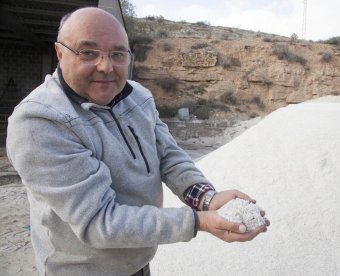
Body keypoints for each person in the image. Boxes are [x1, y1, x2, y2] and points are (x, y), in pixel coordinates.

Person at [6, 7, 269, 276]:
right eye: (88, 52)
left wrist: (206, 198)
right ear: (60, 53)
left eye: (117, 54)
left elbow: (167, 154)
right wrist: (197, 221)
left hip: (137, 260)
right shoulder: (39, 123)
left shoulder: (138, 96)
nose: (106, 66)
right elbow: (100, 221)